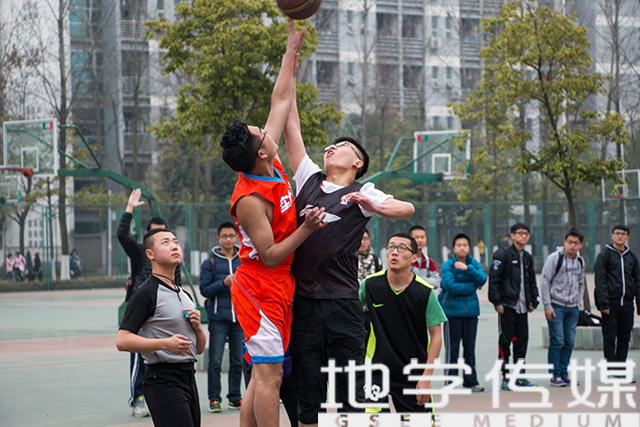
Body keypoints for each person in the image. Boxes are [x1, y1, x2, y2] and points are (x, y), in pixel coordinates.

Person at [284, 59, 415, 427]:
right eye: (330, 144)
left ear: (357, 162)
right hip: (305, 302)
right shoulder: (308, 179)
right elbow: (291, 126)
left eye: (340, 146)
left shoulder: (363, 191)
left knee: (351, 390)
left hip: (343, 303)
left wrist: (376, 206)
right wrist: (289, 74)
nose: (331, 147)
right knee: (308, 388)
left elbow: (406, 208)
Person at [220, 21, 325, 427]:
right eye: (260, 132)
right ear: (260, 151)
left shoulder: (269, 159)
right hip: (259, 286)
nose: (266, 129)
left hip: (279, 285)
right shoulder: (250, 199)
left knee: (262, 376)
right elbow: (268, 255)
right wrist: (306, 229)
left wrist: (290, 53)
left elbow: (280, 99)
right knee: (271, 376)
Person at [117, 228, 206, 427]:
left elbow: (199, 349)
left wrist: (198, 328)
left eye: (175, 242)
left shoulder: (184, 295)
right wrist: (165, 344)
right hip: (162, 380)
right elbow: (122, 340)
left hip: (188, 378)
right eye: (165, 242)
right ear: (150, 254)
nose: (174, 246)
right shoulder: (146, 293)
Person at [359, 233, 446, 413]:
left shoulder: (424, 292)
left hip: (412, 372)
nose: (394, 252)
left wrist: (426, 377)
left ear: (414, 257)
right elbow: (351, 316)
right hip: (376, 370)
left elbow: (436, 336)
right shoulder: (369, 285)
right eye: (391, 247)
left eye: (401, 248)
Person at [117, 188, 182, 417]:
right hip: (145, 311)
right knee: (139, 355)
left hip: (164, 311)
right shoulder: (140, 254)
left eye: (169, 237)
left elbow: (178, 284)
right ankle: (137, 397)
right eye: (158, 236)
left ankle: (159, 396)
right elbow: (122, 235)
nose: (168, 243)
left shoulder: (173, 261)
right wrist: (129, 209)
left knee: (163, 355)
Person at [488, 222, 539, 390]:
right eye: (520, 233)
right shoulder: (502, 254)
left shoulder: (528, 257)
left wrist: (534, 301)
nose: (523, 236)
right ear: (512, 235)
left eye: (526, 233)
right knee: (505, 343)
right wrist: (497, 302)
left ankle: (520, 377)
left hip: (523, 308)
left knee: (521, 343)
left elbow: (531, 281)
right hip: (507, 306)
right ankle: (506, 377)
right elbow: (494, 279)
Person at [199, 222, 243, 413]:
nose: (228, 239)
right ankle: (214, 399)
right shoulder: (210, 262)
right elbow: (205, 290)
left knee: (238, 361)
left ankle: (235, 397)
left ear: (236, 237)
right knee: (215, 361)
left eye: (231, 236)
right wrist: (224, 283)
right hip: (218, 319)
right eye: (224, 236)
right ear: (218, 238)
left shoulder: (243, 260)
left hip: (239, 319)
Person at [440, 233, 487, 392]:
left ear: (469, 248)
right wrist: (472, 286)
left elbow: (482, 279)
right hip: (452, 313)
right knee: (452, 349)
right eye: (459, 245)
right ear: (453, 248)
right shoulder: (447, 265)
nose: (462, 248)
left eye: (465, 245)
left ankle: (471, 381)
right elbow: (451, 286)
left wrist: (467, 269)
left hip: (471, 313)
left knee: (469, 349)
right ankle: (450, 381)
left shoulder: (473, 264)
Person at [540, 228, 586, 387]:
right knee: (558, 340)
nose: (572, 245)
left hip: (573, 308)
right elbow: (545, 281)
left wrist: (578, 302)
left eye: (576, 243)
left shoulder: (580, 261)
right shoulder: (555, 258)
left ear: (581, 245)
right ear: (565, 242)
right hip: (556, 307)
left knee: (569, 342)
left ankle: (564, 374)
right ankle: (555, 375)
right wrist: (547, 305)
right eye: (570, 242)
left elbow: (581, 283)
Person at [594, 224, 640, 382]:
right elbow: (600, 281)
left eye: (623, 234)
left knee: (624, 338)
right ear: (612, 235)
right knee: (609, 338)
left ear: (628, 237)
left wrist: (638, 304)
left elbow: (638, 281)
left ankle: (621, 370)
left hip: (627, 304)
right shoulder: (604, 255)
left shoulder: (632, 257)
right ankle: (611, 371)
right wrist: (604, 304)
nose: (620, 236)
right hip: (611, 305)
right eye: (617, 233)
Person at [409, 225, 441, 289]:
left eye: (422, 237)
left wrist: (417, 279)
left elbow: (436, 282)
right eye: (416, 237)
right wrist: (426, 281)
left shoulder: (429, 261)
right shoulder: (406, 259)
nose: (420, 240)